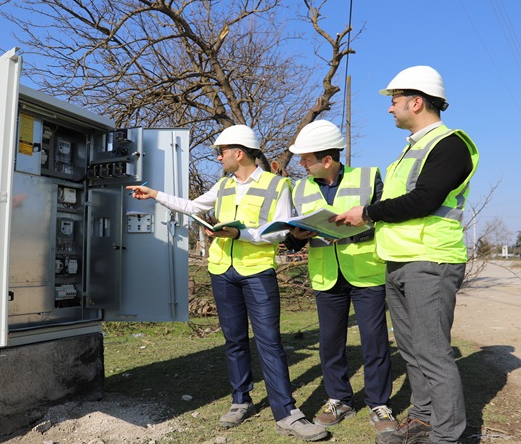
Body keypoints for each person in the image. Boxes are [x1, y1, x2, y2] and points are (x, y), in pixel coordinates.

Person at [126, 124, 328, 442]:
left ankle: (287, 413)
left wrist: (239, 234)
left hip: (257, 271)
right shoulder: (223, 185)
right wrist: (155, 195)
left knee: (269, 343)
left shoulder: (277, 185)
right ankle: (240, 401)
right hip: (222, 271)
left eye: (221, 152)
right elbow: (193, 207)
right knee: (234, 341)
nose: (218, 158)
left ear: (239, 152)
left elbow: (280, 231)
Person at [333, 66, 479, 444]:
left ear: (416, 102)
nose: (389, 108)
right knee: (412, 350)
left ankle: (446, 436)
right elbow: (398, 206)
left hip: (431, 260)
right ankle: (422, 420)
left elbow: (424, 200)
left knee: (432, 352)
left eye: (394, 101)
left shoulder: (449, 145)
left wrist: (367, 213)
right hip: (400, 260)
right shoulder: (410, 149)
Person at [282, 120, 396, 434]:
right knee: (330, 343)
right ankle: (339, 399)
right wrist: (295, 236)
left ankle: (379, 404)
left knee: (374, 342)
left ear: (327, 159)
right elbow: (294, 238)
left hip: (366, 271)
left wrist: (360, 224)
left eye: (306, 159)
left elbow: (385, 220)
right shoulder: (300, 188)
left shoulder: (368, 177)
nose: (302, 165)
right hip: (325, 275)